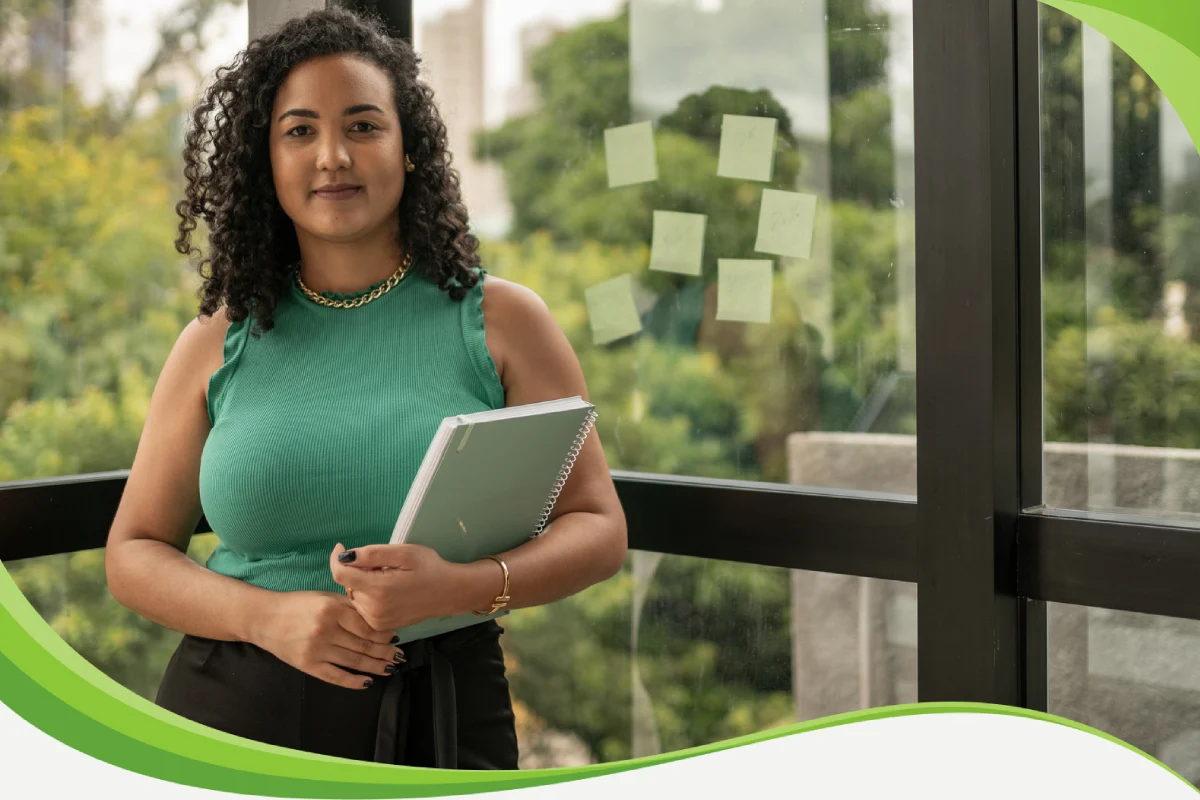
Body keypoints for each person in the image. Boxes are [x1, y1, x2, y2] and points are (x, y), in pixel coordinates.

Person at [104, 7, 627, 770]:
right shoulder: (217, 340)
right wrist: (267, 618)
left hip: (440, 720)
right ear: (266, 162)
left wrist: (465, 587)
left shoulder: (503, 321)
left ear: (408, 147)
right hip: (226, 723)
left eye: (363, 126)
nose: (333, 157)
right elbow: (134, 553)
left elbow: (598, 527)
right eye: (300, 131)